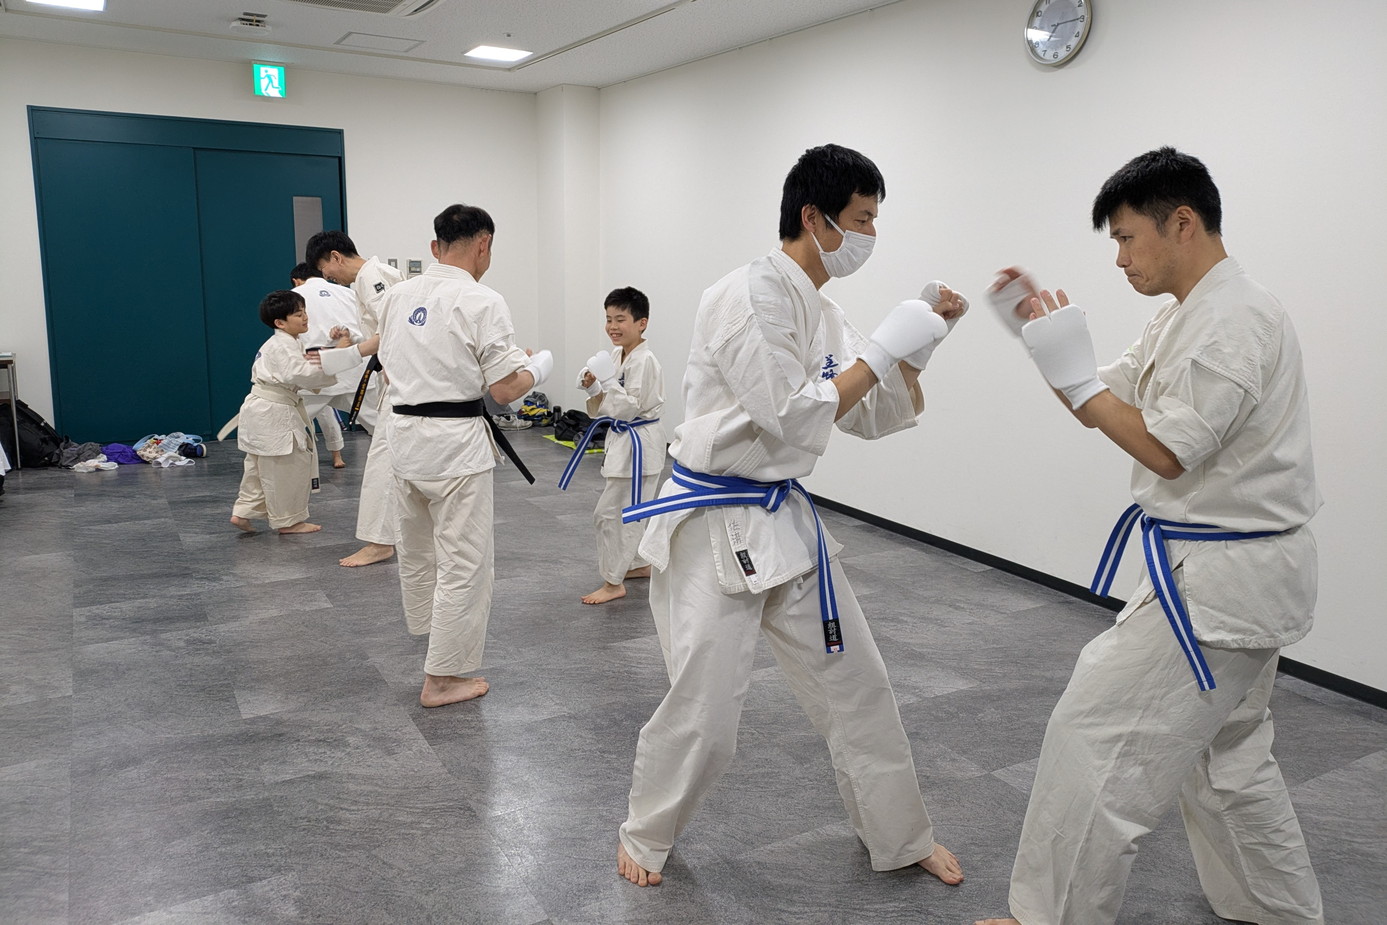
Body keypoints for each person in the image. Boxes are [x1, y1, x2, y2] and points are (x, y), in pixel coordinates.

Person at [975, 147, 1323, 925]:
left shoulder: (1234, 321)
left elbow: (1164, 449)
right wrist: (1046, 349)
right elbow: (1109, 406)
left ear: (1183, 223)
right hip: (1220, 573)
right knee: (1227, 761)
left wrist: (1078, 380)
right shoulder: (1184, 315)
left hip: (1220, 589)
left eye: (1128, 238)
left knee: (1091, 737)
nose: (1120, 258)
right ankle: (1277, 910)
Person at [615, 144, 967, 889]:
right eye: (861, 219)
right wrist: (884, 345)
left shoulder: (823, 308)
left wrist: (918, 345)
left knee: (859, 687)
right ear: (814, 216)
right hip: (711, 524)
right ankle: (645, 832)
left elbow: (863, 414)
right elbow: (787, 415)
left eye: (875, 219)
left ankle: (900, 835)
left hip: (786, 522)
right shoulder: (744, 297)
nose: (870, 235)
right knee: (706, 716)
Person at [376, 203, 552, 708]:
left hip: (403, 437)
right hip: (454, 446)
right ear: (484, 245)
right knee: (464, 562)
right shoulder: (482, 300)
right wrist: (537, 369)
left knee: (416, 551)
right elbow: (502, 389)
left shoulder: (396, 297)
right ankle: (443, 677)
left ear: (435, 247)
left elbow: (389, 370)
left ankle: (429, 635)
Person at [560, 286, 667, 605]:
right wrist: (593, 383)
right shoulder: (618, 355)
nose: (612, 327)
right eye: (608, 319)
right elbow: (604, 399)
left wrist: (604, 384)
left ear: (642, 323)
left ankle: (613, 581)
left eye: (620, 319)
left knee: (612, 515)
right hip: (625, 443)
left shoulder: (644, 361)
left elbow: (630, 407)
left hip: (639, 445)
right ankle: (636, 564)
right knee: (627, 511)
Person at [305, 230, 405, 567]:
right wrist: (351, 337)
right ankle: (394, 536)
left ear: (336, 256)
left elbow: (395, 330)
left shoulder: (372, 277)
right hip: (398, 379)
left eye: (325, 269)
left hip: (401, 382)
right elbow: (383, 329)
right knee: (394, 460)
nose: (327, 277)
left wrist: (346, 356)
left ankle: (380, 542)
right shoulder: (377, 276)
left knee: (382, 461)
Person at [229, 290, 337, 535]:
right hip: (274, 412)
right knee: (285, 467)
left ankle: (243, 512)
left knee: (258, 468)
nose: (305, 318)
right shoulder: (282, 344)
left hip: (262, 409)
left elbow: (304, 363)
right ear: (280, 322)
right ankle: (288, 521)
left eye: (305, 312)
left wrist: (332, 347)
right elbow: (301, 373)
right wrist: (338, 359)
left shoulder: (286, 342)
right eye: (298, 314)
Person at [290, 262, 364, 470]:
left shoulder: (294, 296)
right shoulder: (348, 293)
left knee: (292, 427)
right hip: (355, 373)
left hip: (314, 371)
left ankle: (286, 468)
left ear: (296, 280)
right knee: (381, 426)